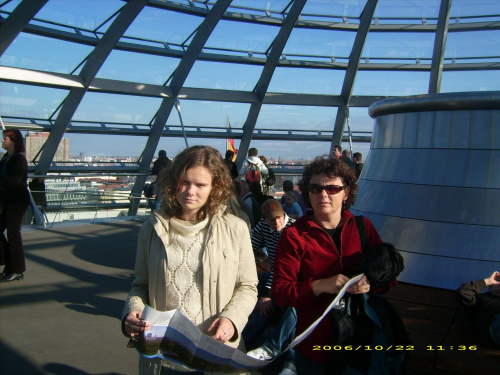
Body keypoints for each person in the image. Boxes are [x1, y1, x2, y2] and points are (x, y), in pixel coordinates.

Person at [122, 145, 258, 374]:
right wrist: (131, 311)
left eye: (200, 185)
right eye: (184, 182)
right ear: (173, 182)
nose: (189, 191)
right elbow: (140, 285)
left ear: (215, 187)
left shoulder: (236, 229)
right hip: (163, 358)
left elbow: (247, 286)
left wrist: (231, 320)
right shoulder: (151, 229)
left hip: (215, 351)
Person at [272, 154, 388, 374]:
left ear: (346, 192)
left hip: (360, 343)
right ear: (307, 192)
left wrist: (370, 284)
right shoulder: (294, 237)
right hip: (315, 347)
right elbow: (281, 292)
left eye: (333, 189)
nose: (323, 194)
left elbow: (387, 277)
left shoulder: (363, 228)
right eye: (315, 188)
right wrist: (320, 285)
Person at [244, 199, 297, 374]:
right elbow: (248, 245)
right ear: (265, 220)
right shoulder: (263, 226)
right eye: (271, 220)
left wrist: (268, 293)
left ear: (284, 214)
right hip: (276, 276)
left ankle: (248, 341)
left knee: (266, 304)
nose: (276, 223)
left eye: (279, 218)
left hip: (290, 278)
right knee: (248, 285)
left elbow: (283, 267)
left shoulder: (293, 230)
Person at [0, 129, 30, 282]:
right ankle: (10, 265)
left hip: (16, 202)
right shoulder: (7, 158)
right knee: (10, 234)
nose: (2, 141)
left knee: (13, 235)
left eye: (5, 138)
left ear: (14, 141)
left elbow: (13, 181)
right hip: (8, 201)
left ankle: (16, 269)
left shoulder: (18, 159)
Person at [457, 271, 500, 346]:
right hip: (494, 326)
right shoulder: (482, 301)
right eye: (497, 282)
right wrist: (488, 281)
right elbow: (463, 292)